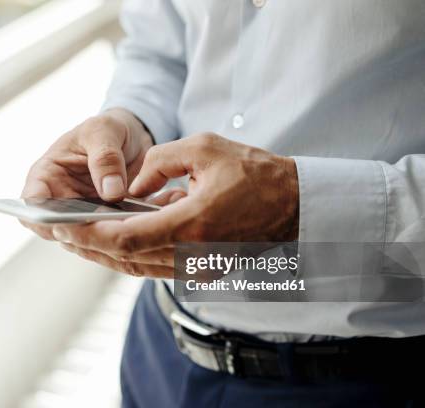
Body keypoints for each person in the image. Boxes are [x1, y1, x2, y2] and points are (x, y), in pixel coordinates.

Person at [22, 0, 425, 406]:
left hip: (375, 379)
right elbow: (160, 48)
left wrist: (296, 203)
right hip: (161, 347)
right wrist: (133, 121)